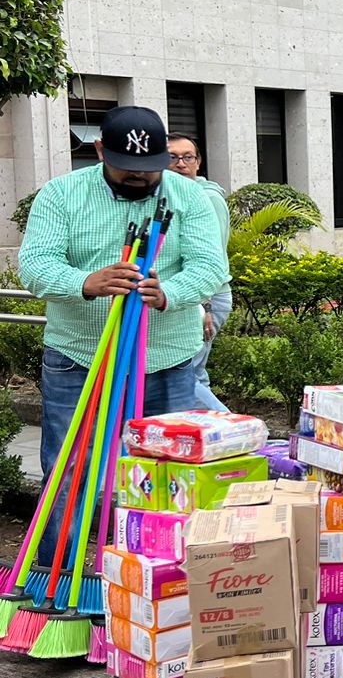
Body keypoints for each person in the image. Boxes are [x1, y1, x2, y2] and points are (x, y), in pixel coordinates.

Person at [18, 106, 229, 564]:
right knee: (69, 472)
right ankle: (56, 577)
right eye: (126, 168)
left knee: (170, 471)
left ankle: (164, 576)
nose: (139, 177)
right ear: (99, 151)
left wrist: (168, 290)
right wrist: (83, 283)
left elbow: (211, 267)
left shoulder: (187, 197)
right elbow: (34, 265)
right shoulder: (61, 195)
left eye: (149, 169)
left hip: (166, 359)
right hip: (79, 358)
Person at [166, 135, 233, 411]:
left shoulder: (207, 199)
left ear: (198, 162)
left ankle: (240, 434)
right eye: (172, 157)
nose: (180, 164)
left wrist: (202, 306)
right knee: (195, 377)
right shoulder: (174, 196)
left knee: (180, 379)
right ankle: (210, 447)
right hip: (187, 298)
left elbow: (210, 260)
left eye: (188, 157)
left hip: (206, 297)